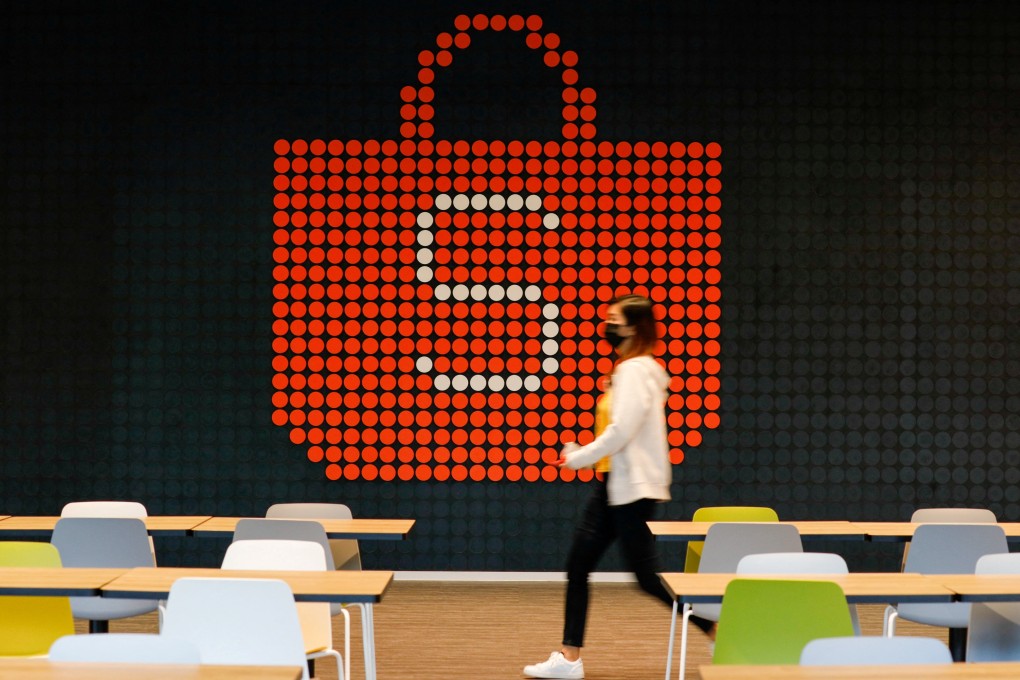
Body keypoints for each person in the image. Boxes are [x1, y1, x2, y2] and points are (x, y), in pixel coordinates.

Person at [523, 294, 712, 679]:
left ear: (633, 327)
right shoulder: (633, 370)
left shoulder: (635, 372)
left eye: (614, 319)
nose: (608, 325)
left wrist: (579, 457)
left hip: (629, 488)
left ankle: (716, 628)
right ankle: (570, 658)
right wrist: (588, 456)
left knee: (642, 577)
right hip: (615, 484)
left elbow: (621, 431)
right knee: (581, 565)